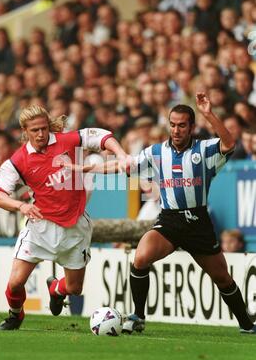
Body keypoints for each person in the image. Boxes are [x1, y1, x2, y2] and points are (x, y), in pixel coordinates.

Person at [77, 93, 256, 335]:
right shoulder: (156, 152)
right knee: (140, 258)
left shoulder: (204, 150)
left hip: (197, 222)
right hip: (169, 220)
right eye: (172, 125)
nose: (176, 130)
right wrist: (89, 167)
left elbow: (229, 144)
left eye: (182, 125)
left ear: (192, 127)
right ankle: (138, 316)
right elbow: (124, 165)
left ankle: (246, 323)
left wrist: (209, 115)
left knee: (222, 278)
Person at [0, 105, 126, 330]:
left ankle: (56, 290)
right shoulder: (18, 161)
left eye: (44, 128)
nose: (40, 134)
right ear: (25, 131)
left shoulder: (68, 140)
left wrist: (121, 154)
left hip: (75, 227)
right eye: (34, 130)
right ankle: (15, 315)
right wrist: (20, 206)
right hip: (40, 227)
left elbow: (102, 136)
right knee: (15, 283)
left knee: (74, 289)